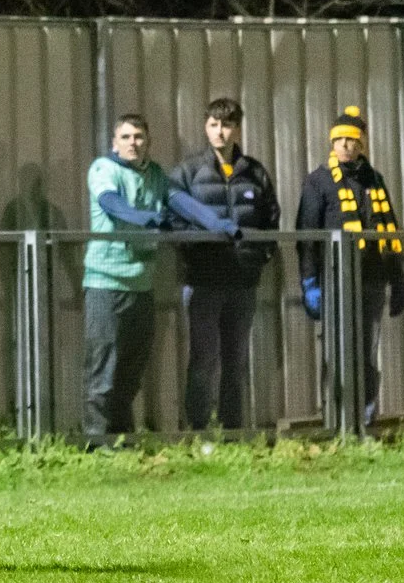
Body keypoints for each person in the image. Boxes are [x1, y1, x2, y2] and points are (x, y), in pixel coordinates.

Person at [167, 97, 279, 434]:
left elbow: (271, 219)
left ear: (237, 128)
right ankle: (199, 430)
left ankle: (232, 431)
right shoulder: (187, 172)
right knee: (203, 360)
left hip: (243, 283)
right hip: (203, 281)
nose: (221, 132)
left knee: (236, 361)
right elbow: (173, 220)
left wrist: (260, 256)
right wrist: (195, 252)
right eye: (214, 125)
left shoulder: (255, 172)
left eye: (227, 125)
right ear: (206, 127)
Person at [297, 105, 404, 431]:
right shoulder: (318, 181)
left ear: (362, 145)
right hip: (333, 282)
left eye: (352, 140)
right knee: (335, 353)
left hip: (371, 279)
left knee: (367, 354)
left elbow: (390, 230)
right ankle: (336, 421)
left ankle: (365, 421)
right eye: (340, 140)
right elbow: (306, 235)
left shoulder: (375, 181)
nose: (346, 146)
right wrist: (309, 281)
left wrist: (397, 279)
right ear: (331, 143)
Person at [82, 114, 178, 443]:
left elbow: (181, 203)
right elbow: (111, 203)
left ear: (147, 142)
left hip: (142, 284)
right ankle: (97, 441)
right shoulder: (104, 170)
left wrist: (218, 226)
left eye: (138, 136)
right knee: (103, 365)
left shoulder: (156, 175)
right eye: (125, 137)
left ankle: (122, 436)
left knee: (132, 367)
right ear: (114, 142)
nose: (132, 142)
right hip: (105, 283)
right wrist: (149, 219)